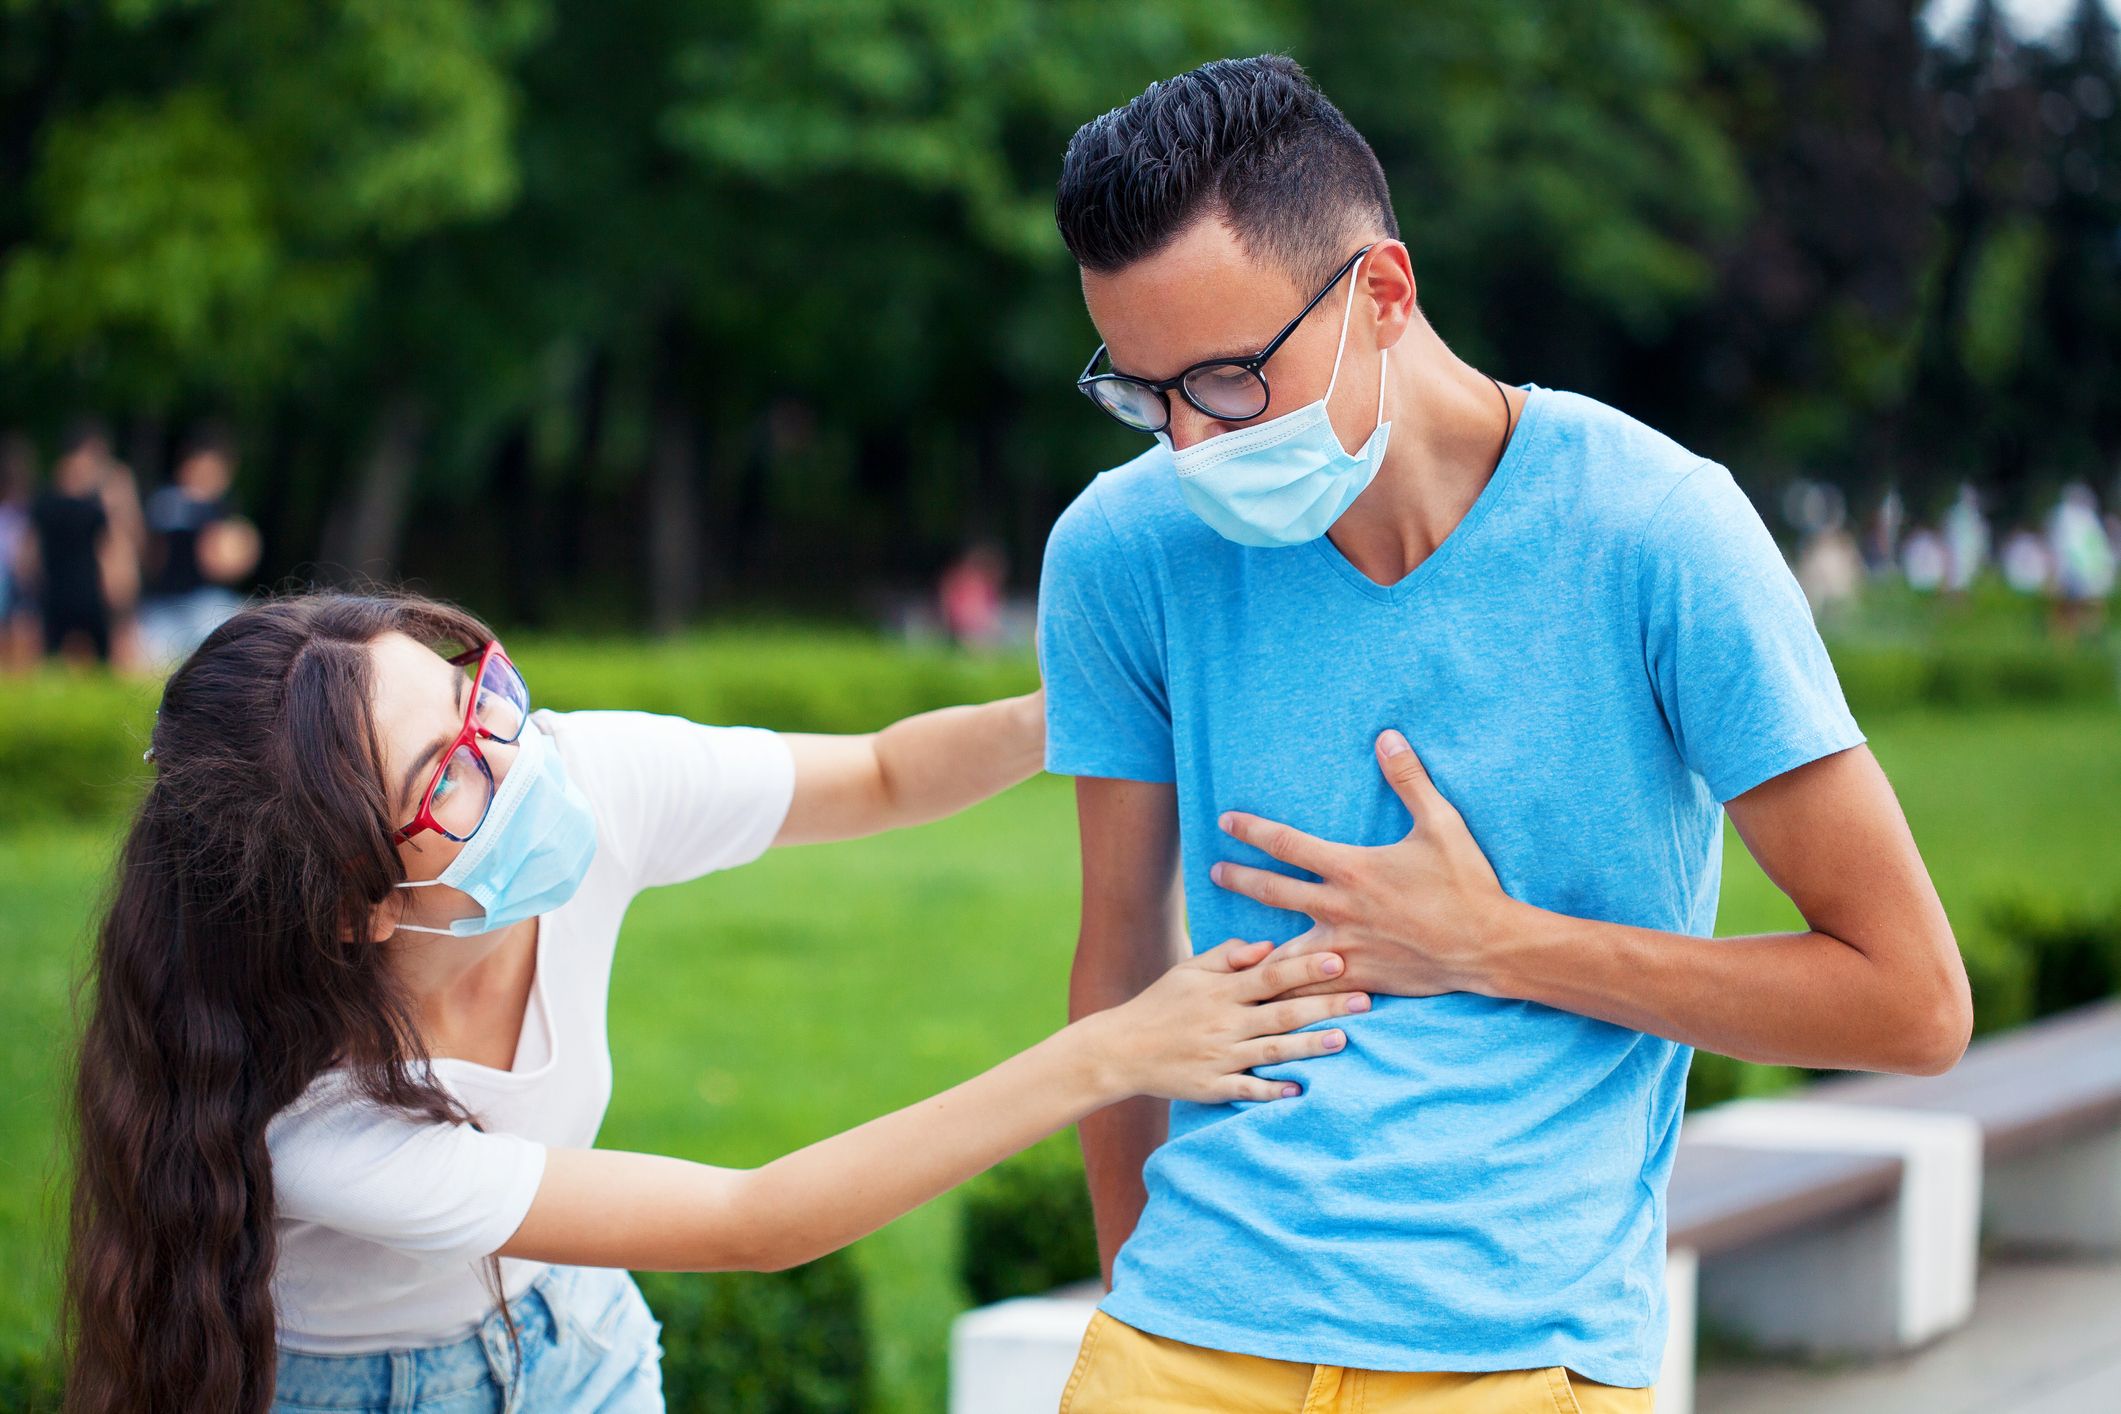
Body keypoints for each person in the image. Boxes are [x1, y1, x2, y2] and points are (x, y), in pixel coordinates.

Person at [1038, 56, 1970, 1412]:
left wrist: (1488, 942)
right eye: (1144, 391)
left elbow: (1912, 999)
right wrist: (1138, 1295)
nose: (1189, 442)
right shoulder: (1123, 553)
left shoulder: (1656, 532)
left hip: (1516, 1354)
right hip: (1177, 1339)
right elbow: (1120, 968)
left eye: (1230, 380)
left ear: (1384, 293)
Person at [62, 589, 1369, 1414]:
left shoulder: (570, 771)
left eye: (477, 687)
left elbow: (874, 772)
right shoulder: (318, 1122)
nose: (510, 752)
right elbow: (757, 1217)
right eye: (445, 772)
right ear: (351, 900)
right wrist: (1113, 1050)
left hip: (581, 1347)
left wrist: (1082, 696)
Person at [138, 427, 259, 665]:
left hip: (206, 604)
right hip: (167, 605)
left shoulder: (224, 510)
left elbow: (228, 563)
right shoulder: (169, 503)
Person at [24, 422, 121, 664]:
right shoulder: (51, 503)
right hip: (59, 589)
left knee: (98, 654)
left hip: (86, 589)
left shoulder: (92, 505)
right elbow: (30, 551)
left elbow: (107, 550)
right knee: (55, 654)